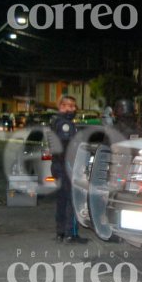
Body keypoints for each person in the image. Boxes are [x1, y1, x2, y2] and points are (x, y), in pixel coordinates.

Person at [48, 95, 88, 244]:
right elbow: (67, 146)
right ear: (62, 107)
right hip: (65, 165)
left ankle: (61, 232)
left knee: (61, 200)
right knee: (72, 199)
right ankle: (71, 234)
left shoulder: (55, 122)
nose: (73, 109)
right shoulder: (65, 124)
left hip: (57, 165)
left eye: (73, 106)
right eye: (70, 106)